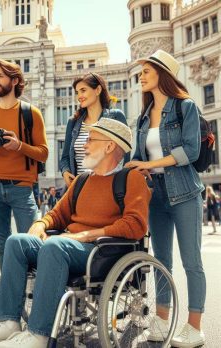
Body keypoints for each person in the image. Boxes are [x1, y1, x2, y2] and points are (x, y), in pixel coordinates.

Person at [0, 118, 151, 348]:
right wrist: (42, 224)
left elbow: (136, 225)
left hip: (102, 252)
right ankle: (8, 322)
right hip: (69, 246)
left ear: (109, 146)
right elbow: (57, 214)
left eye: (90, 140)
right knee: (16, 241)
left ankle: (39, 333)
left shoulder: (131, 179)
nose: (83, 145)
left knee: (54, 246)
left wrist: (85, 235)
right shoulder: (82, 181)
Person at [125, 49, 206, 347]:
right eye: (141, 72)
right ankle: (161, 320)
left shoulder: (186, 107)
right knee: (162, 261)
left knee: (191, 262)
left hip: (185, 193)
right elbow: (138, 157)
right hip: (155, 195)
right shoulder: (143, 118)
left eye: (146, 71)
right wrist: (135, 167)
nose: (141, 76)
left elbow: (190, 151)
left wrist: (151, 164)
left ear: (163, 73)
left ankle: (194, 327)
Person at [0, 58, 48, 268]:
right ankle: (11, 290)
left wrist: (19, 146)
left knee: (32, 243)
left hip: (22, 188)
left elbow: (43, 153)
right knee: (3, 246)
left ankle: (34, 288)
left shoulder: (30, 113)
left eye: (0, 76)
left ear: (15, 80)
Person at [59, 72, 129, 188]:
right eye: (77, 92)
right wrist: (65, 172)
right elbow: (65, 158)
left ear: (97, 90)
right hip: (80, 188)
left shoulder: (116, 116)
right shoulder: (73, 122)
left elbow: (125, 155)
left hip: (109, 187)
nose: (79, 96)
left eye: (83, 90)